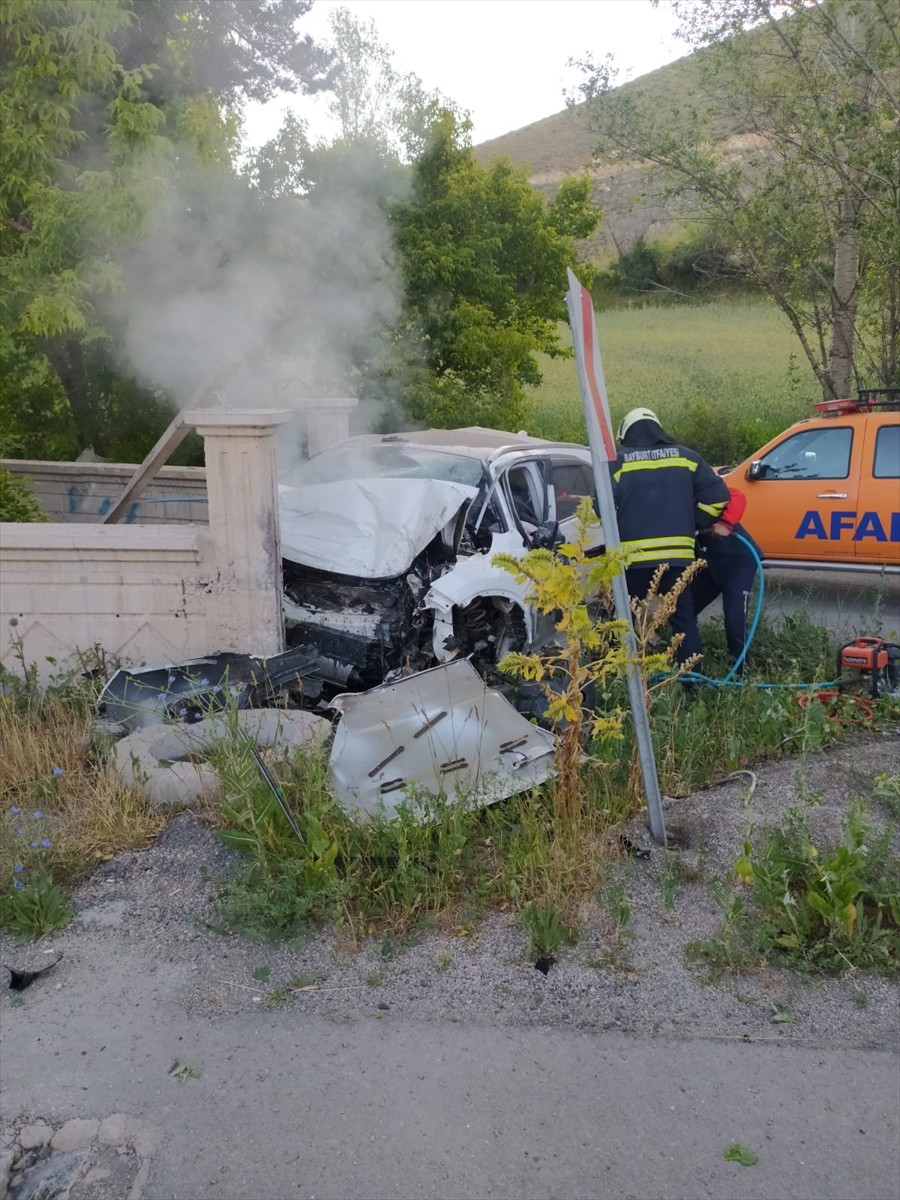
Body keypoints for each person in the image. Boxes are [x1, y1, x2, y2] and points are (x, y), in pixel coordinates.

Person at [612, 407, 729, 665]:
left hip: (633, 560)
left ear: (627, 434)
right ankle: (692, 682)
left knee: (622, 620)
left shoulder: (619, 463)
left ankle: (622, 677)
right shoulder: (687, 458)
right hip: (678, 559)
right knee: (683, 620)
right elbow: (718, 497)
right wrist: (695, 522)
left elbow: (601, 510)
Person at [694, 486, 762, 670]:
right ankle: (689, 663)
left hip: (738, 561)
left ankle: (741, 672)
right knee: (683, 610)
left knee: (734, 618)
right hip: (710, 565)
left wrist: (725, 524)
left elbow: (737, 496)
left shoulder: (696, 484)